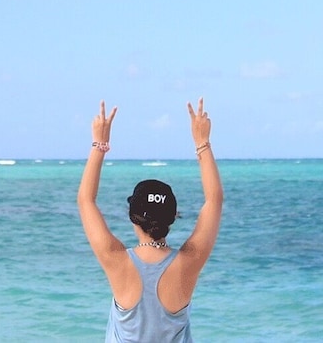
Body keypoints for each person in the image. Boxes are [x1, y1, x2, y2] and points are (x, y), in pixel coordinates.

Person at [78, 98, 223, 343]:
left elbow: (85, 200)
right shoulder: (188, 262)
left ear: (132, 218)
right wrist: (202, 143)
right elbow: (214, 201)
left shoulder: (117, 261)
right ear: (172, 218)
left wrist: (99, 144)